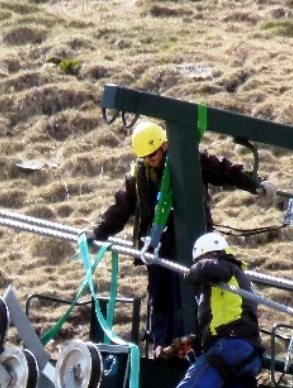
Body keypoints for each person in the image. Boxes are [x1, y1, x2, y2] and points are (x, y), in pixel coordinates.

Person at [85, 120, 276, 354]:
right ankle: (162, 347)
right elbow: (122, 207)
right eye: (144, 157)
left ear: (164, 145)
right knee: (160, 298)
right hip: (157, 246)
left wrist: (254, 183)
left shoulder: (187, 159)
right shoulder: (140, 175)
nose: (150, 160)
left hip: (189, 243)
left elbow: (223, 170)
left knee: (185, 296)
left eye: (153, 154)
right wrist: (98, 232)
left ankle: (187, 346)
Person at [134, 232, 269, 388]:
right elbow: (221, 321)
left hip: (228, 347)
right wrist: (192, 344)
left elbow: (205, 270)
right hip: (246, 353)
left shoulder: (226, 269)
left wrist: (191, 271)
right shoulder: (232, 286)